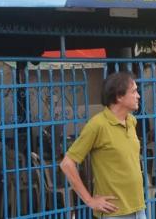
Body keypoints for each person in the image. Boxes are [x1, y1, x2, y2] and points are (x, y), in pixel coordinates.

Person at [60, 71, 146, 218]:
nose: (138, 95)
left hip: (138, 208)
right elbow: (67, 164)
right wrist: (90, 200)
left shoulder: (131, 121)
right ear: (119, 96)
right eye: (134, 91)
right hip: (114, 213)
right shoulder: (97, 125)